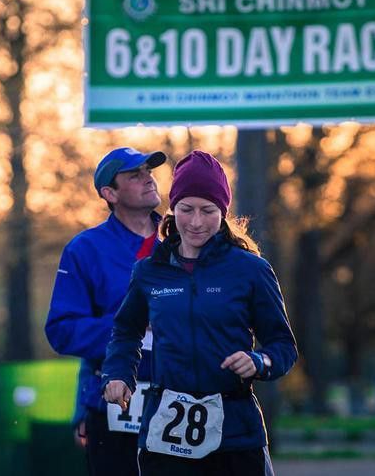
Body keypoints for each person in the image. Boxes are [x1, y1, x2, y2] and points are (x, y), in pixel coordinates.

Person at [102, 150, 298, 476]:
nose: (195, 222)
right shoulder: (149, 272)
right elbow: (125, 332)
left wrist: (258, 361)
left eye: (207, 211)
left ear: (223, 213)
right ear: (171, 210)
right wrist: (118, 374)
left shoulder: (251, 270)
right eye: (186, 209)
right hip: (165, 431)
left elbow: (283, 346)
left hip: (236, 431)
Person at [45, 146, 166, 476]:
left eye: (149, 171)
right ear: (109, 192)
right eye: (134, 174)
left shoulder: (182, 238)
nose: (148, 179)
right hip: (113, 402)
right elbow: (62, 329)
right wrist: (133, 329)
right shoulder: (85, 248)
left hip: (180, 399)